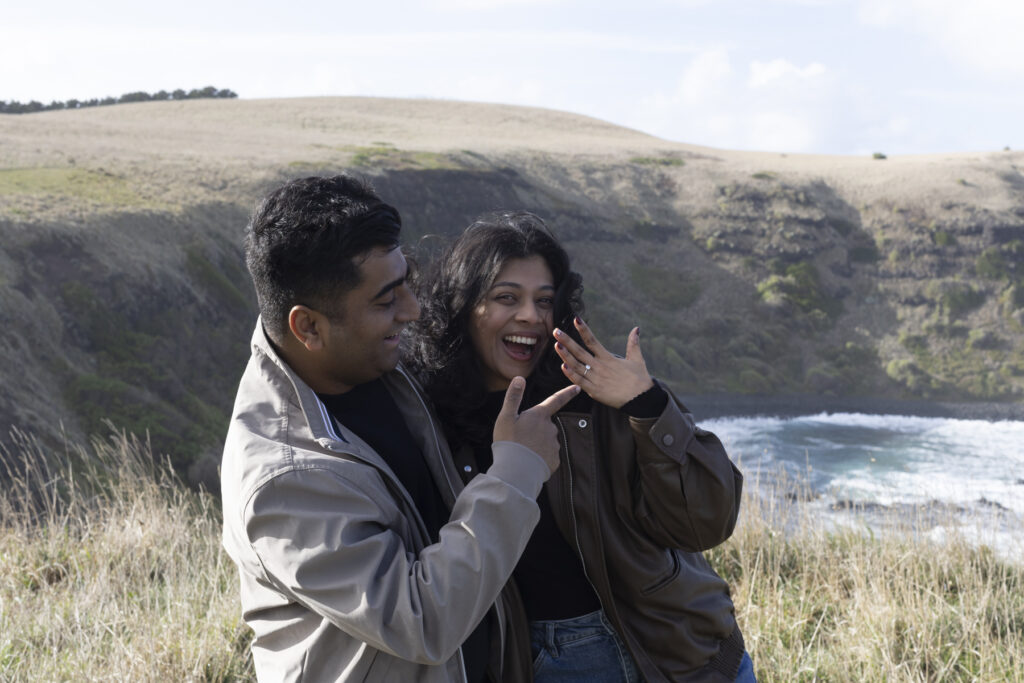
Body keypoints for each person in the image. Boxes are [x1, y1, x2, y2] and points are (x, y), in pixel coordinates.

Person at [220, 176, 580, 682]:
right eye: (386, 301)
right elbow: (421, 621)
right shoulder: (283, 479)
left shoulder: (385, 368)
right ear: (308, 328)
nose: (412, 310)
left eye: (406, 281)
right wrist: (518, 471)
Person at [407, 211, 757, 683]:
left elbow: (707, 522)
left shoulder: (601, 393)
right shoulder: (429, 420)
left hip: (680, 654)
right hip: (544, 663)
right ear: (463, 307)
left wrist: (650, 407)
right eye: (507, 297)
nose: (531, 315)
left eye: (544, 300)